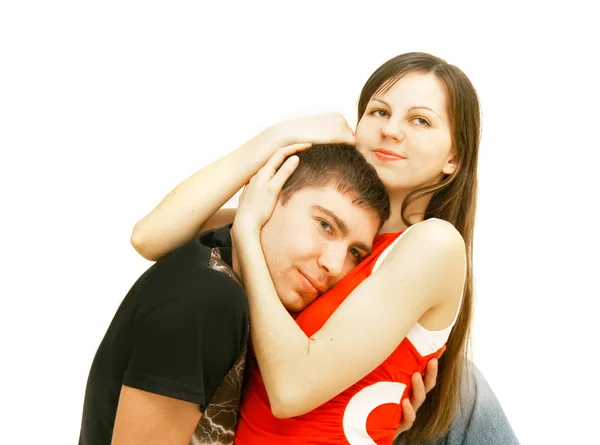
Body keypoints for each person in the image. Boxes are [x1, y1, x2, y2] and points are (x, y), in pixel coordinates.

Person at [132, 52, 520, 444]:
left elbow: (291, 390)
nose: (391, 131)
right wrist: (277, 137)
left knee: (469, 387)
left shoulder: (433, 243)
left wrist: (248, 232)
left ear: (454, 156)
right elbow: (152, 236)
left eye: (420, 120)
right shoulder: (327, 236)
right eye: (379, 112)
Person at [78, 144, 393, 445]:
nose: (335, 264)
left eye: (354, 252)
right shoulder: (208, 299)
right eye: (325, 225)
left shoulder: (236, 281)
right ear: (266, 200)